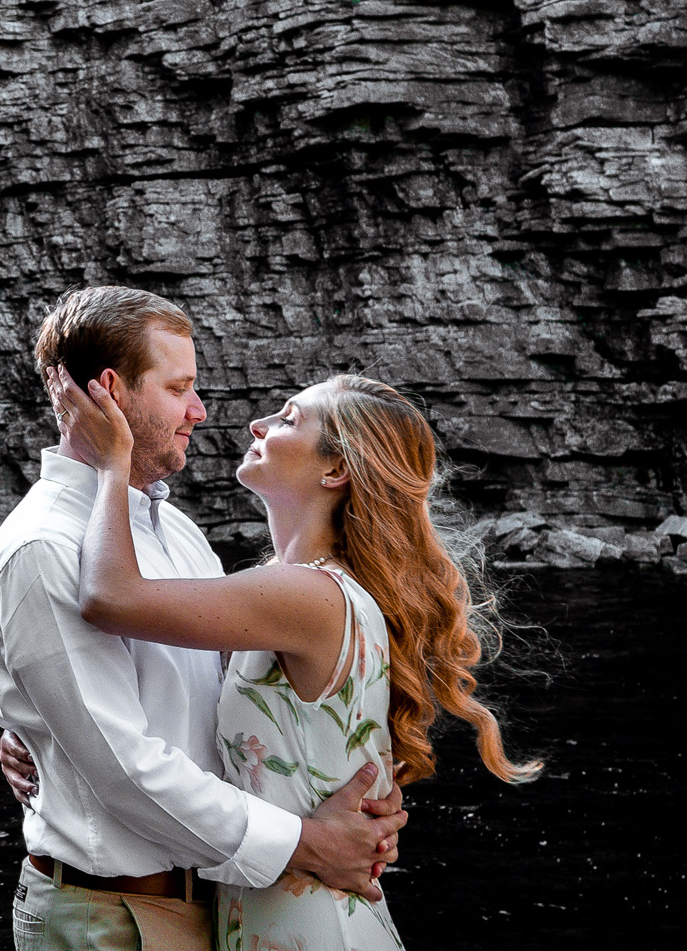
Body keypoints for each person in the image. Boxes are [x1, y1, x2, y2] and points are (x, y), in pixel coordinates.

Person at [40, 362, 541, 951]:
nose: (257, 423)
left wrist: (110, 465)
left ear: (335, 469)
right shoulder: (298, 588)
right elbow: (188, 696)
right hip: (282, 913)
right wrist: (41, 731)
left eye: (288, 419)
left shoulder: (305, 594)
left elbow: (109, 598)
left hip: (307, 924)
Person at [0, 287, 405, 951]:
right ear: (114, 391)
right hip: (117, 919)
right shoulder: (46, 546)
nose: (201, 411)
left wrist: (352, 793)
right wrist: (309, 841)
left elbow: (216, 709)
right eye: (180, 387)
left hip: (214, 901)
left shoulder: (172, 530)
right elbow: (122, 766)